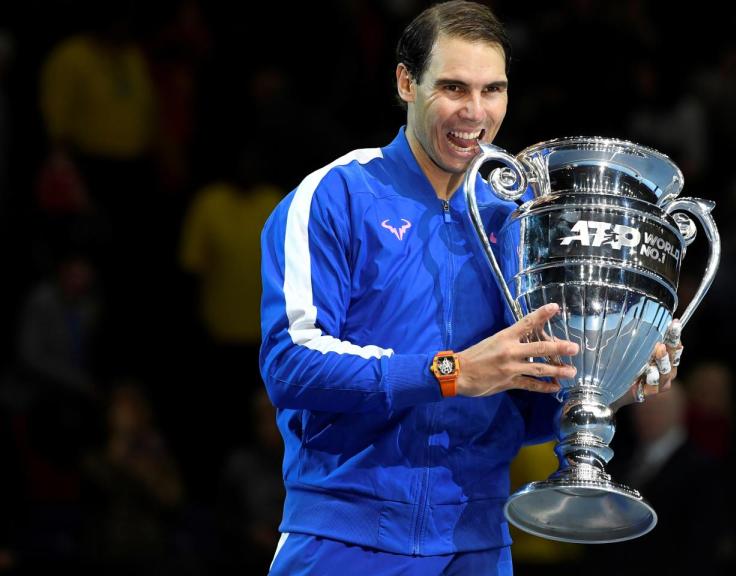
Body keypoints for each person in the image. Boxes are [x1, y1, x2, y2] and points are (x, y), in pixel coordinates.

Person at [258, 2, 681, 575]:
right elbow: (291, 365)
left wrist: (603, 387)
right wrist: (452, 373)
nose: (475, 113)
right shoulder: (335, 196)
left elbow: (513, 407)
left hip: (476, 546)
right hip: (345, 539)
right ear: (406, 82)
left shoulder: (518, 221)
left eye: (493, 90)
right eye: (454, 88)